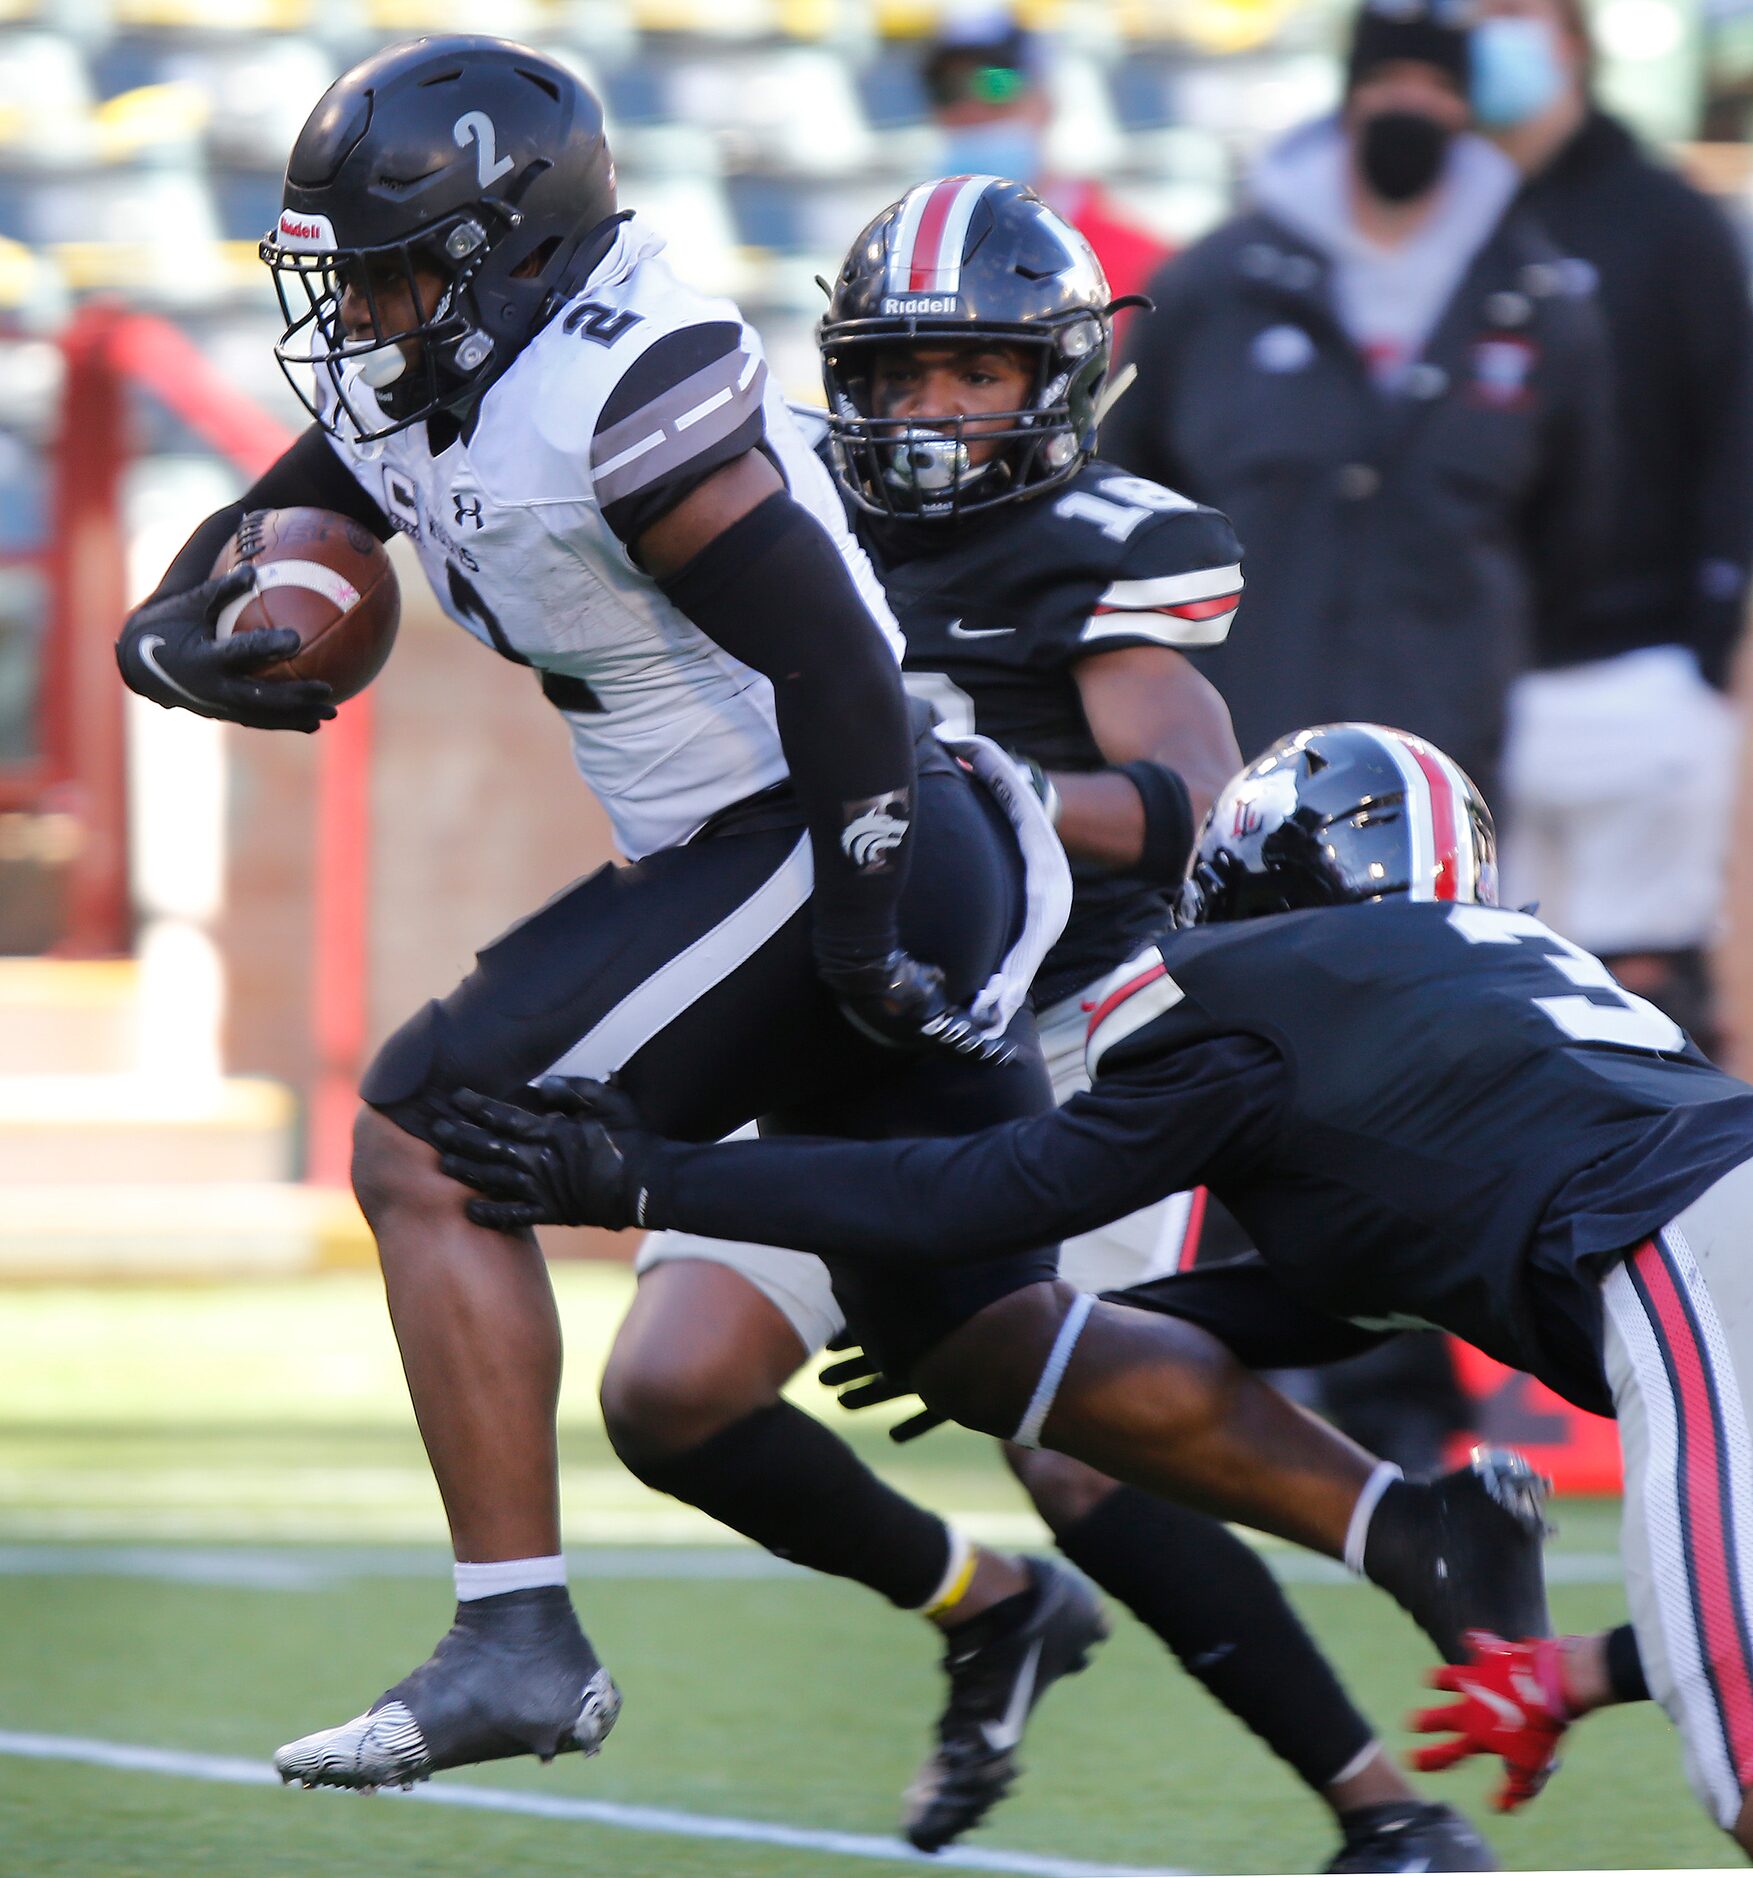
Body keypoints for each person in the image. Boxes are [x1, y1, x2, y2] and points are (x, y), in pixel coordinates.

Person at [112, 39, 1543, 1804]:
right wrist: (170, 637)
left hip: (869, 861)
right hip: (836, 860)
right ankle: (1407, 1524)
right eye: (901, 369)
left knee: (425, 1136)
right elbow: (280, 514)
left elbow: (865, 686)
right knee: (972, 1341)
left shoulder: (636, 391)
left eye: (401, 264)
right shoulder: (449, 370)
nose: (372, 307)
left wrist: (862, 935)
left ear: (504, 254)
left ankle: (517, 1632)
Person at [441, 720, 1753, 1851]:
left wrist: (648, 1180)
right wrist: (1586, 1671)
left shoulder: (1257, 998)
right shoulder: (1521, 994)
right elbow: (1324, 1294)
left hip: (1690, 1253)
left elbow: (991, 1193)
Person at [629, 175, 1492, 1868]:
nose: (931, 410)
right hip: (832, 1032)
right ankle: (989, 1606)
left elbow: (1182, 796)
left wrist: (965, 794)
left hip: (1064, 1029)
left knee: (1077, 1439)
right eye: (897, 374)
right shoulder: (785, 523)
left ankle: (1384, 1802)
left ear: (1058, 377)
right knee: (672, 1395)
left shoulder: (1116, 543)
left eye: (973, 372)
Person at [1100, 0, 1611, 808]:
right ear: (1348, 93)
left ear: (1464, 105)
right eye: (1386, 79)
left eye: (1433, 84)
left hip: (1444, 761)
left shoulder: (1536, 302)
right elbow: (1126, 497)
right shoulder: (1215, 286)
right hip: (1236, 751)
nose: (1408, 104)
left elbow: (1574, 531)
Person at [1472, 0, 1753, 1053]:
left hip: (1637, 666)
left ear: (1570, 38)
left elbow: (1731, 425)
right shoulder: (1446, 216)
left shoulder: (1667, 221)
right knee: (1498, 1002)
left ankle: (1669, 1219)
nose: (1493, 32)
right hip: (1473, 680)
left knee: (1641, 996)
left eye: (1516, 11)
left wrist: (1702, 641)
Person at [919, 12, 1169, 305]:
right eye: (948, 91)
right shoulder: (910, 262)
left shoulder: (1145, 265)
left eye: (996, 84)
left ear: (1047, 99)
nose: (971, 110)